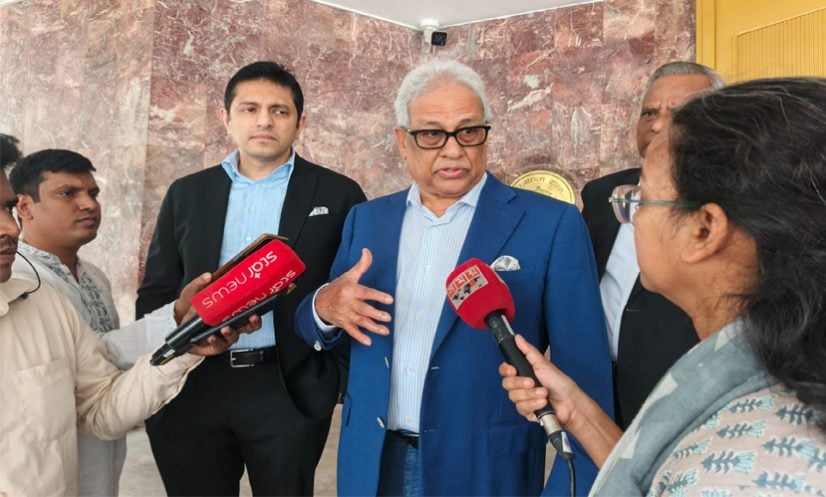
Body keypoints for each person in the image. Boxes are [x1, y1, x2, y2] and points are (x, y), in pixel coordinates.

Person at [294, 58, 613, 496]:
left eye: (468, 131)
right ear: (402, 141)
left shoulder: (550, 223)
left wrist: (569, 487)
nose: (452, 149)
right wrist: (324, 307)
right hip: (372, 461)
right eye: (431, 134)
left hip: (485, 469)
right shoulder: (366, 220)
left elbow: (585, 375)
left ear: (486, 134)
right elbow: (319, 324)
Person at [501, 77, 826, 496]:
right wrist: (579, 412)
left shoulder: (746, 470)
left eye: (641, 199)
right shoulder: (758, 363)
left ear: (704, 229)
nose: (630, 217)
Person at [136, 60, 366, 495]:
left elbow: (353, 286)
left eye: (279, 110)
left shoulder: (339, 193)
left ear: (300, 122)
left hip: (287, 385)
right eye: (249, 109)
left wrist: (333, 377)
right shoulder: (188, 192)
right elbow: (157, 289)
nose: (264, 121)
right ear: (226, 118)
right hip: (192, 381)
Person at [0, 159, 252, 496]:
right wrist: (176, 319)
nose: (10, 228)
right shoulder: (32, 278)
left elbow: (98, 405)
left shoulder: (43, 301)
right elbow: (104, 352)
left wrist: (183, 347)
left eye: (5, 209)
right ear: (27, 207)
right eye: (68, 193)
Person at [580, 62, 725, 428]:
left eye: (679, 113)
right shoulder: (600, 195)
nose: (658, 126)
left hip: (684, 399)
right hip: (595, 391)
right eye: (650, 113)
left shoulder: (735, 207)